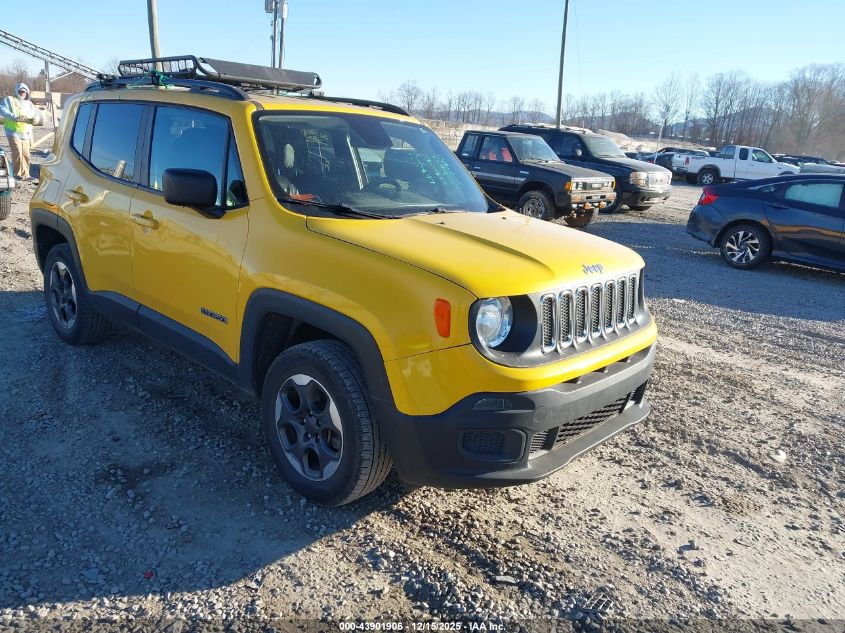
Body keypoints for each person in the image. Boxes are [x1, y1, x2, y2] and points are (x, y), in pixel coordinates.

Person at [1, 83, 43, 181]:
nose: (22, 93)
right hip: (13, 131)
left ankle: (26, 174)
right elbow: (2, 109)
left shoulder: (29, 103)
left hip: (25, 132)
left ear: (27, 92)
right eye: (20, 91)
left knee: (26, 154)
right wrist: (14, 117)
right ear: (17, 91)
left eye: (24, 92)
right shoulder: (10, 100)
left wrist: (35, 119)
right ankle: (17, 174)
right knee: (17, 152)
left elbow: (35, 113)